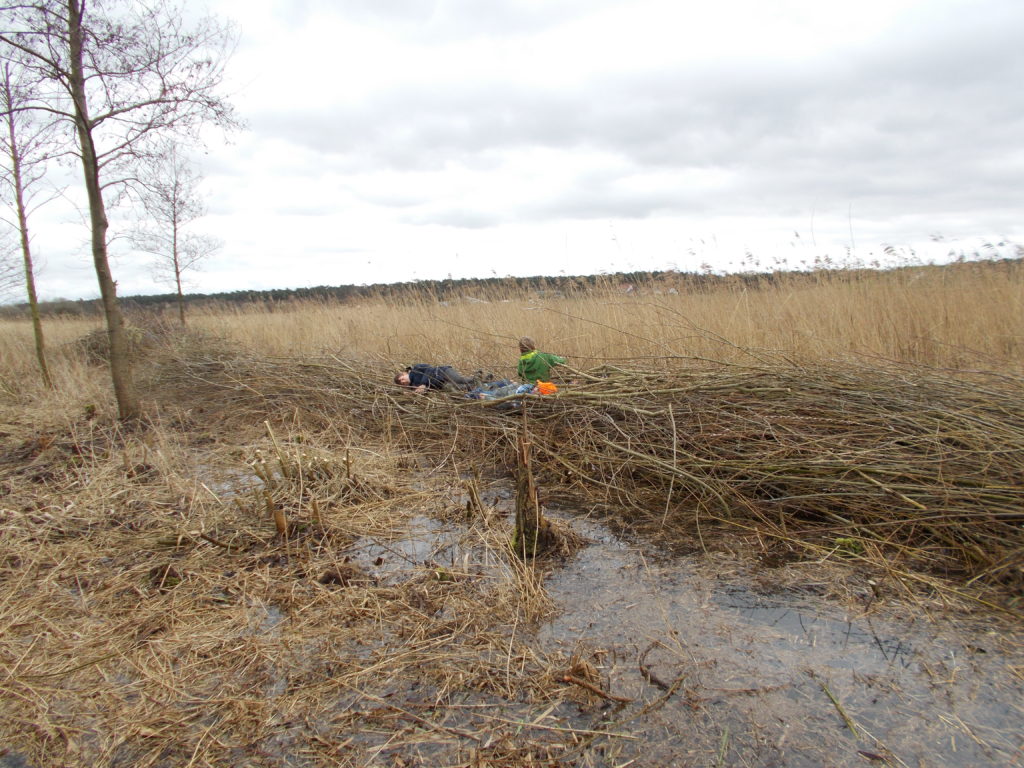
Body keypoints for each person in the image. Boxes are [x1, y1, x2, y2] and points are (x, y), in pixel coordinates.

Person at [394, 364, 476, 394]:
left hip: (442, 372)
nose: (403, 381)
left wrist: (423, 383)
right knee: (460, 388)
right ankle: (480, 386)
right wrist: (411, 394)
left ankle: (478, 379)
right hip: (442, 385)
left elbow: (429, 368)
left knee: (460, 380)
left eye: (402, 379)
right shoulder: (414, 387)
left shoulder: (416, 368)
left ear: (405, 373)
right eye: (401, 383)